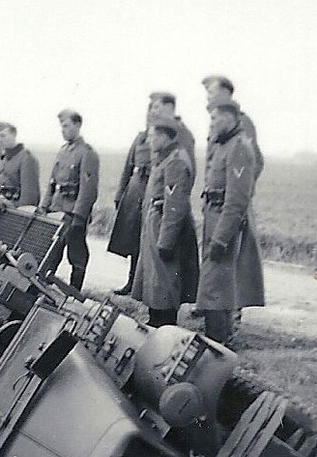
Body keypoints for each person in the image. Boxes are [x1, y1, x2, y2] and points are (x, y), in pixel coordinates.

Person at [195, 98, 265, 346]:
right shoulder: (223, 146)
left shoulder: (239, 147)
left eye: (215, 118)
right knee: (213, 289)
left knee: (217, 290)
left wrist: (222, 237)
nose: (211, 124)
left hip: (224, 223)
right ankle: (216, 343)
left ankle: (218, 346)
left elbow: (237, 200)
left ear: (230, 117)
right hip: (214, 217)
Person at [131, 115, 199, 327]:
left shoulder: (176, 161)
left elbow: (175, 206)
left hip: (165, 228)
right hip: (155, 225)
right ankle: (155, 321)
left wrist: (166, 242)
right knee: (155, 281)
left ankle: (164, 326)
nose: (149, 141)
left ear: (163, 136)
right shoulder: (165, 157)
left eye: (152, 136)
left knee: (165, 283)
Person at [40, 109, 99, 292]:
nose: (63, 130)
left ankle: (74, 292)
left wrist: (79, 217)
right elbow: (52, 181)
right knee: (51, 252)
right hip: (57, 208)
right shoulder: (63, 150)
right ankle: (43, 288)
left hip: (73, 211)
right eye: (61, 126)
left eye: (66, 126)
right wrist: (44, 206)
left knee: (77, 255)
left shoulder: (87, 153)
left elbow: (88, 189)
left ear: (78, 125)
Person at [107, 103, 154, 295]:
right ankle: (131, 283)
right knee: (133, 238)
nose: (151, 118)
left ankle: (146, 287)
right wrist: (120, 193)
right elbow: (127, 166)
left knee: (149, 239)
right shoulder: (140, 138)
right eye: (149, 114)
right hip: (134, 189)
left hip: (151, 189)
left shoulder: (166, 139)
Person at [202, 75, 263, 179]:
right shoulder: (217, 123)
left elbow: (254, 160)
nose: (208, 97)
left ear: (225, 93)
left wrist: (240, 187)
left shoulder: (241, 121)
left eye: (211, 92)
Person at [0, 121, 40, 207]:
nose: (0, 140)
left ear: (14, 135)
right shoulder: (2, 159)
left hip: (15, 210)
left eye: (3, 136)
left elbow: (29, 196)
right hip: (1, 207)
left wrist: (22, 215)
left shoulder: (26, 158)